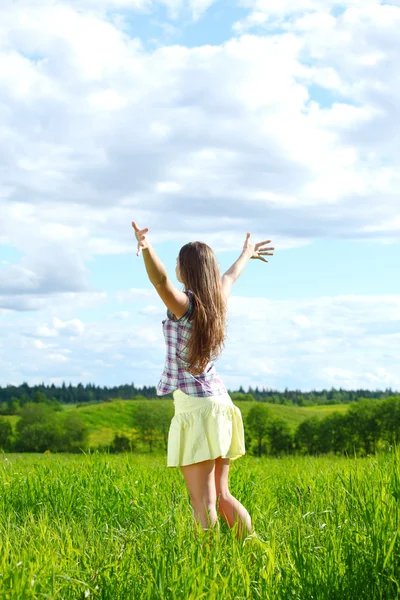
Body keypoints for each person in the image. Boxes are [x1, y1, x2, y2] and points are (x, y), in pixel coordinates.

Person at [132, 221, 274, 545]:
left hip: (196, 407)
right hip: (221, 403)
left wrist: (147, 247)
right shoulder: (217, 300)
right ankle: (256, 552)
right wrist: (247, 253)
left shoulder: (186, 305)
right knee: (222, 495)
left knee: (203, 503)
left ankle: (207, 567)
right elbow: (230, 276)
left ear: (188, 269)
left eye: (180, 261)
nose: (177, 266)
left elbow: (160, 279)